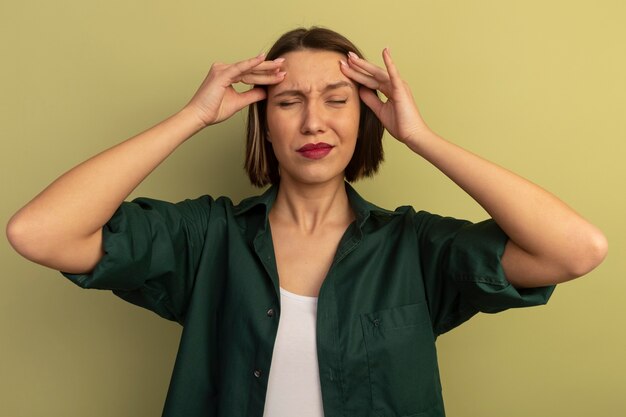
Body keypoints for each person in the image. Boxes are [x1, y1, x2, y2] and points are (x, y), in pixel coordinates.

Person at [6, 27, 607, 417]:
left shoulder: (416, 247)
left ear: (366, 117)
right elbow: (40, 233)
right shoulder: (206, 238)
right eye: (289, 102)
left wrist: (421, 137)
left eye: (336, 100)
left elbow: (577, 249)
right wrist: (191, 116)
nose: (313, 123)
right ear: (263, 121)